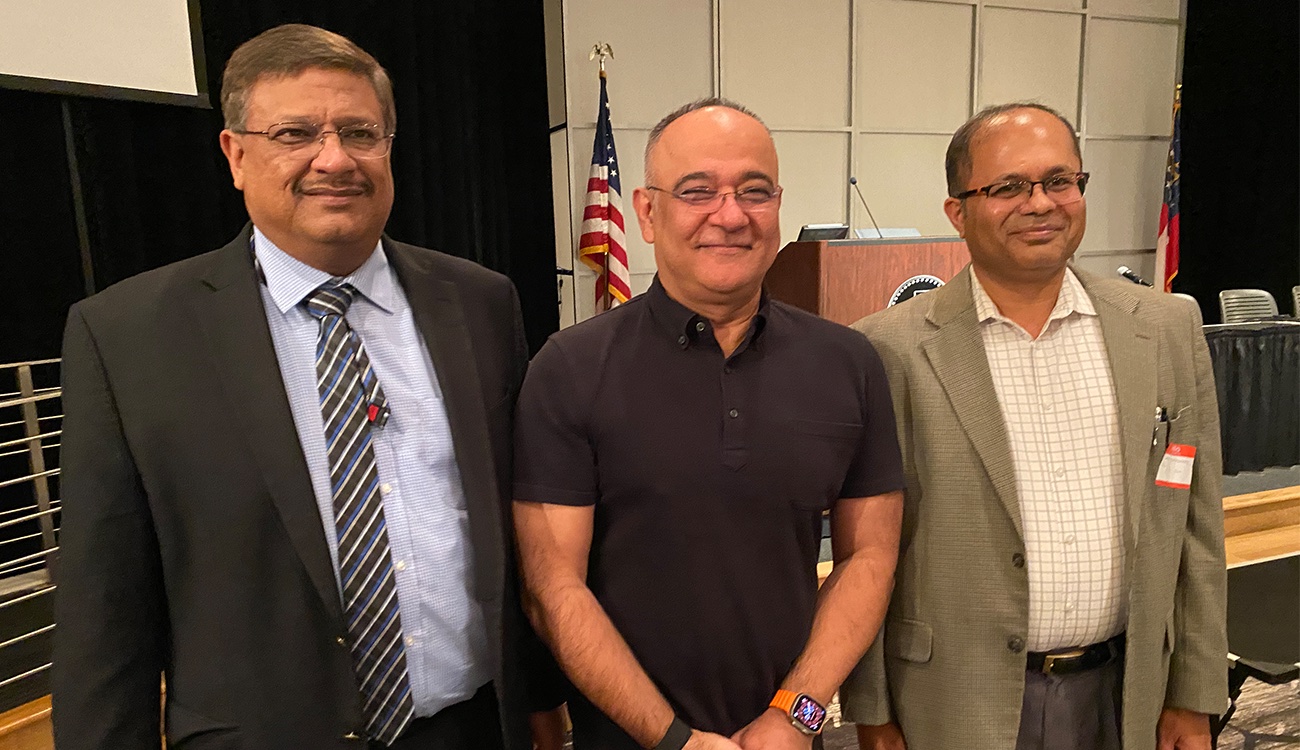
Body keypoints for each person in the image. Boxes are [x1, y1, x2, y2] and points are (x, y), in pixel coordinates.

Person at [53, 23, 562, 750]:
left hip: (471, 728)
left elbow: (514, 532)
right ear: (235, 154)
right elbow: (103, 611)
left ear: (389, 146)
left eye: (360, 132)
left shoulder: (480, 303)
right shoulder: (129, 336)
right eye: (295, 133)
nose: (334, 159)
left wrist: (541, 702)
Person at [512, 98, 905, 750]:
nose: (730, 215)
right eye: (697, 191)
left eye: (755, 192)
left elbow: (870, 556)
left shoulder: (849, 363)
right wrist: (673, 740)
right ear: (645, 211)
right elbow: (551, 588)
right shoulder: (569, 369)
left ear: (778, 206)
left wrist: (795, 717)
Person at [842, 103, 1227, 750]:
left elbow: (1196, 529)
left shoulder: (1165, 329)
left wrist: (1194, 695)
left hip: (1128, 694)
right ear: (957, 212)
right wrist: (873, 712)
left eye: (1059, 181)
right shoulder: (888, 349)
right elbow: (867, 548)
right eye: (1008, 187)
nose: (1040, 203)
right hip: (952, 702)